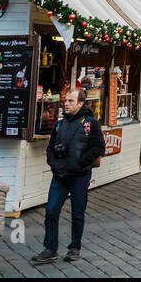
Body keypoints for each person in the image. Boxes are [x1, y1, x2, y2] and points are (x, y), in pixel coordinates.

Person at [32, 88, 104, 264]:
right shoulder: (59, 124)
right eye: (65, 100)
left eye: (71, 101)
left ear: (80, 103)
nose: (66, 103)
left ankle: (74, 248)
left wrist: (82, 161)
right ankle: (50, 249)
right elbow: (51, 146)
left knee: (77, 213)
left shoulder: (90, 123)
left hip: (80, 176)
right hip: (60, 175)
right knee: (51, 211)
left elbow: (99, 147)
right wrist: (52, 162)